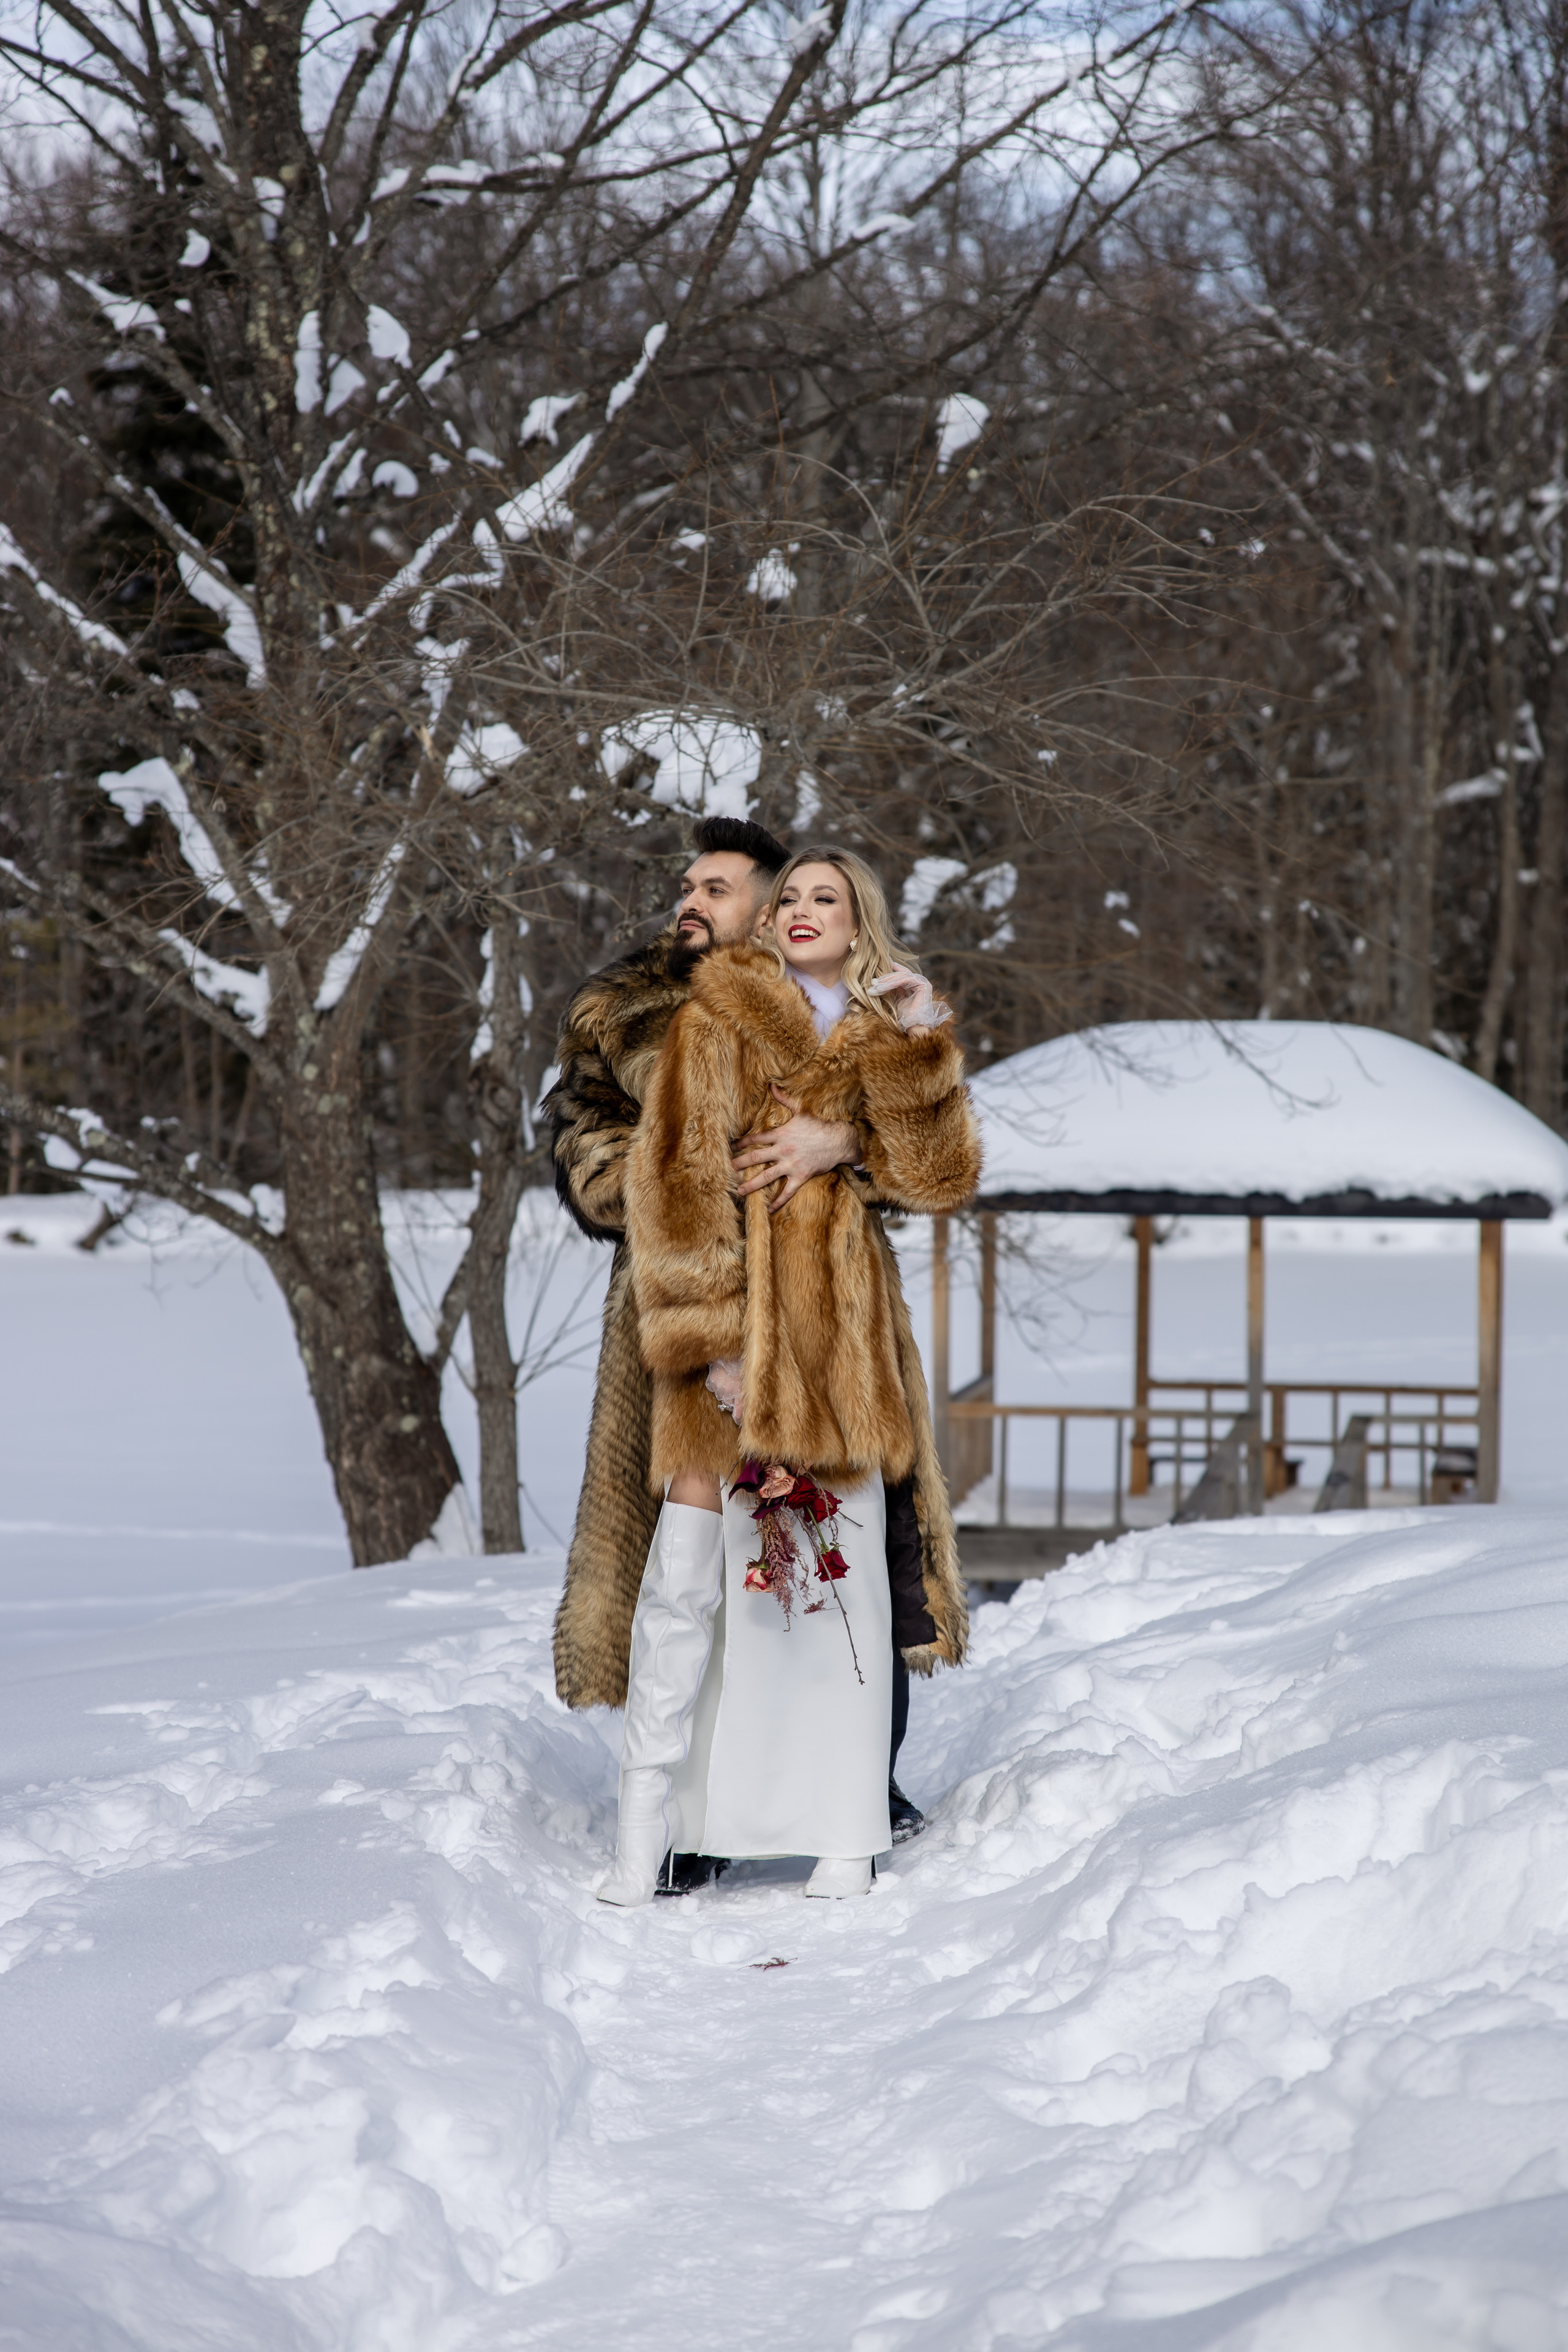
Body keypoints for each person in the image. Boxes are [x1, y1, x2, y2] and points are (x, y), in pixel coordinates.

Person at [546, 817, 965, 1881]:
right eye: (688, 884)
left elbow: (927, 1170)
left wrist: (848, 1141)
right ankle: (685, 1826)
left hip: (829, 1329)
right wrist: (651, 1194)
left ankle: (850, 1790)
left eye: (720, 887)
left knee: (845, 1569)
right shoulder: (630, 1007)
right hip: (687, 1303)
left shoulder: (853, 1012)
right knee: (694, 1575)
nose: (693, 899)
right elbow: (603, 1146)